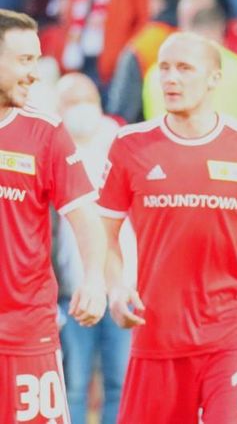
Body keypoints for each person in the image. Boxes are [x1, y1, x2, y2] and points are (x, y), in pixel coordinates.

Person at [97, 32, 237, 423]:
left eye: (184, 69)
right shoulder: (129, 146)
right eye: (164, 69)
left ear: (214, 79)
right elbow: (102, 235)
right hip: (156, 339)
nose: (171, 79)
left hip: (233, 335)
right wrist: (115, 288)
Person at [0, 10, 107, 423]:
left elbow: (85, 217)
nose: (34, 73)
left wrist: (94, 279)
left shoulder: (45, 133)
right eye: (24, 60)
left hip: (29, 332)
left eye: (37, 60)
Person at [53, 73, 129, 424]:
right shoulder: (50, 150)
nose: (81, 109)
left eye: (87, 99)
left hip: (119, 288)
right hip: (72, 291)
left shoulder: (118, 146)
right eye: (72, 102)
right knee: (73, 385)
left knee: (120, 383)